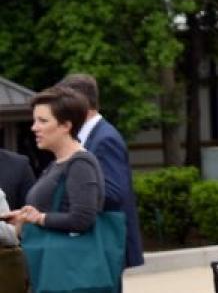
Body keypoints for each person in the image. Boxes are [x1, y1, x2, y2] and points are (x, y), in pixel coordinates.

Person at [57, 73, 144, 268]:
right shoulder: (91, 136)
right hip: (100, 245)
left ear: (82, 104)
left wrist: (70, 200)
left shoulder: (105, 139)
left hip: (107, 245)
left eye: (65, 104)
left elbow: (113, 193)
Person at [4, 87, 104, 237]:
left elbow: (82, 220)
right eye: (35, 121)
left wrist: (39, 218)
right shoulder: (57, 164)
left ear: (66, 126)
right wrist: (24, 216)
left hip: (68, 257)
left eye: (43, 121)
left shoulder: (80, 163)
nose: (34, 128)